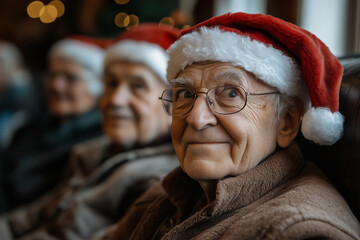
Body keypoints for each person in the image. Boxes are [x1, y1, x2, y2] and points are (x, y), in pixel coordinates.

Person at [106, 12, 360, 239]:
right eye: (185, 94)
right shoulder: (173, 193)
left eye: (230, 94)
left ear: (287, 122)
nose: (196, 118)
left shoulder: (295, 230)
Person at [0, 23, 180, 240]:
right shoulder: (92, 153)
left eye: (138, 86)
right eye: (111, 83)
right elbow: (30, 216)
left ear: (174, 102)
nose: (115, 99)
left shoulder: (161, 181)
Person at [0, 36, 107, 212]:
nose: (56, 85)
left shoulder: (98, 142)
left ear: (96, 87)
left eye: (70, 78)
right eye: (52, 75)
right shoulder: (29, 128)